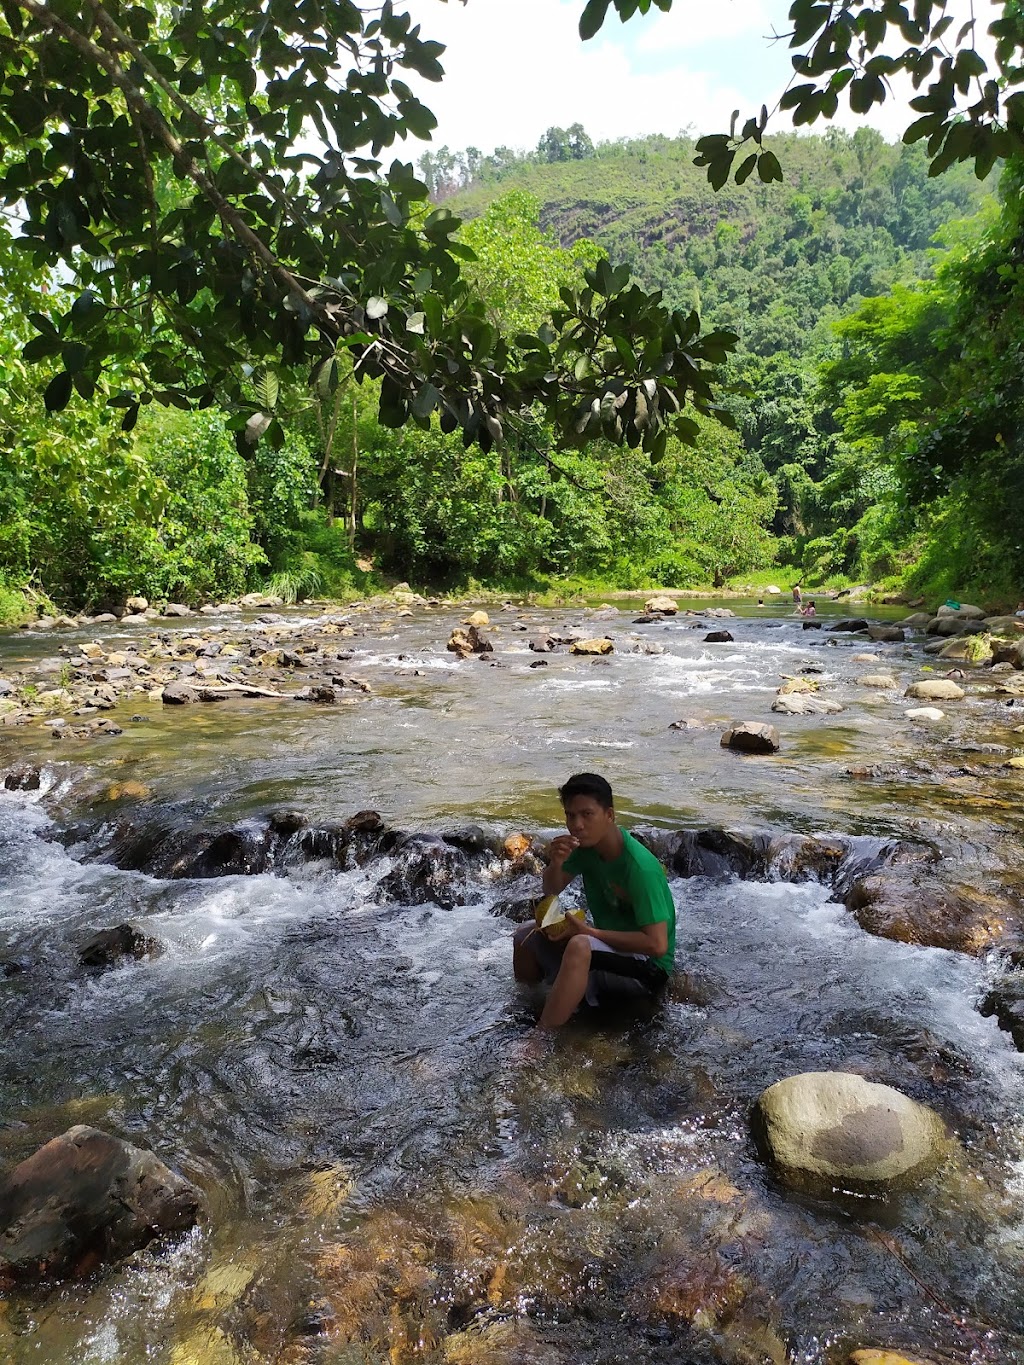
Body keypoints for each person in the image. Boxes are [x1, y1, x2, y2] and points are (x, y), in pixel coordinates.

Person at [512, 773, 676, 1033]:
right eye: (570, 815)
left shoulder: (640, 868)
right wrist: (556, 863)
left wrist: (589, 932)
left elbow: (657, 945)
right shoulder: (586, 850)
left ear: (609, 815)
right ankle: (532, 1005)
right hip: (608, 951)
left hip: (648, 969)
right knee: (525, 935)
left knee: (580, 944)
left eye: (587, 814)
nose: (576, 825)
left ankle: (542, 1037)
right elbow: (551, 889)